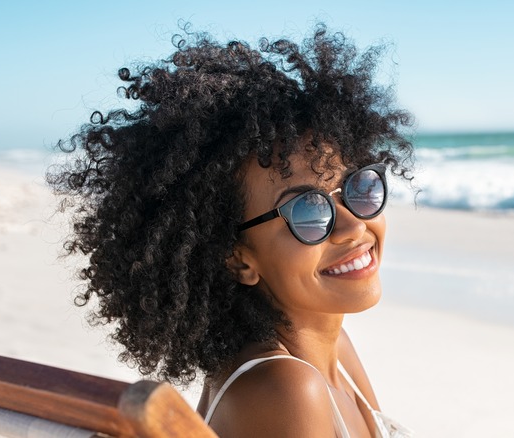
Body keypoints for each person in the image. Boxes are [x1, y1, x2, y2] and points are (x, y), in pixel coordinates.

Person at [48, 23, 414, 437]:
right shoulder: (287, 389)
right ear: (238, 258)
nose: (352, 226)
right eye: (308, 210)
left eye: (358, 187)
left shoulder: (333, 349)